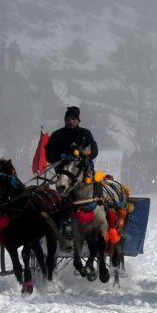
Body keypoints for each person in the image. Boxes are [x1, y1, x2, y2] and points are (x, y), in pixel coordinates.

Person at [45, 106, 98, 248]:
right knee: (65, 201)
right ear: (64, 120)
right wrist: (61, 156)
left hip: (83, 174)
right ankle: (62, 226)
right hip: (65, 176)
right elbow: (49, 155)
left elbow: (94, 150)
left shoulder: (86, 133)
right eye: (68, 119)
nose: (70, 121)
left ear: (78, 120)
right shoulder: (57, 135)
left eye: (73, 119)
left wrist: (85, 157)